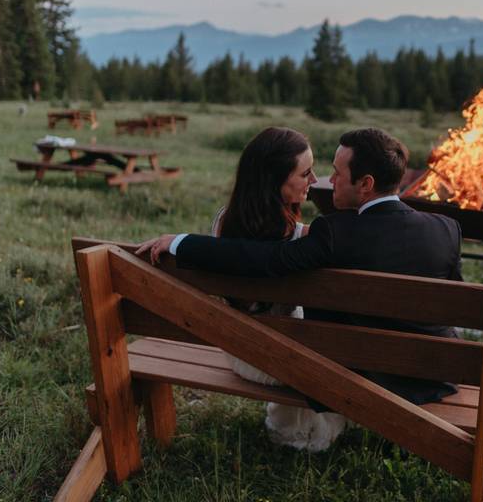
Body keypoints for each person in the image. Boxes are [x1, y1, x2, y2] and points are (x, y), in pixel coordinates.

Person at [137, 127, 463, 407]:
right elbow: (453, 306)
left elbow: (264, 258)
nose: (328, 180)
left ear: (365, 184)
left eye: (337, 172)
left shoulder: (335, 234)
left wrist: (181, 242)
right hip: (438, 376)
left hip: (367, 377)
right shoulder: (447, 229)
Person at [206, 126, 345, 452]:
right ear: (273, 180)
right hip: (272, 357)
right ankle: (296, 434)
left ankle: (291, 425)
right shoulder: (298, 240)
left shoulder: (223, 221)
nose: (313, 181)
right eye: (305, 173)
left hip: (236, 350)